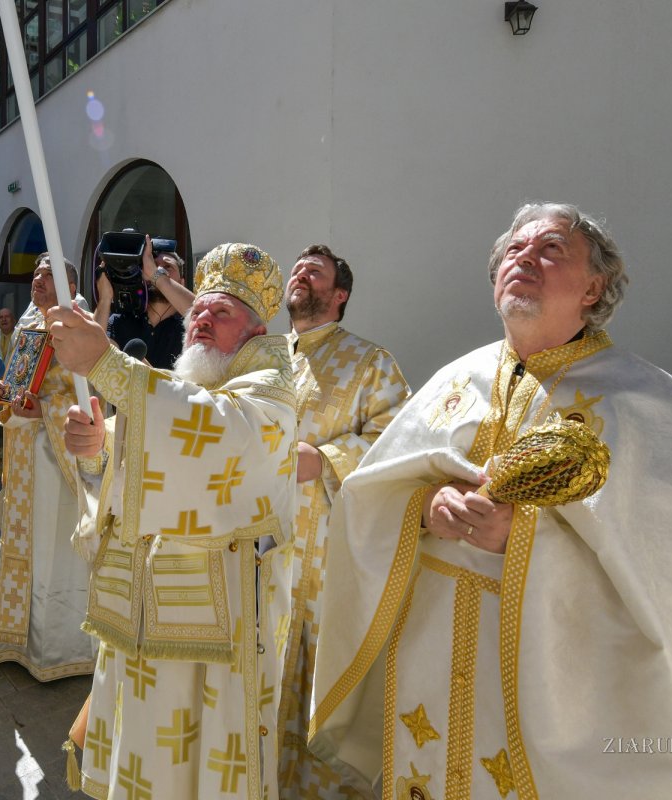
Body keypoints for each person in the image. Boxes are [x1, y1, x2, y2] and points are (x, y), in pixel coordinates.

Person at [309, 202, 672, 798]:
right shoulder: (454, 383)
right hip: (432, 649)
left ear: (595, 288)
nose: (524, 259)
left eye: (551, 250)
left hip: (557, 676)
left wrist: (527, 535)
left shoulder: (648, 404)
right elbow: (372, 494)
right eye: (513, 251)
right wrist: (425, 508)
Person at [51, 242, 297, 799]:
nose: (203, 319)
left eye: (222, 313)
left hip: (219, 616)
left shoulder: (272, 386)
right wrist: (96, 443)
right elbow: (139, 449)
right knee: (143, 740)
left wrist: (106, 363)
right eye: (200, 312)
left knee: (198, 756)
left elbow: (216, 433)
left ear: (254, 334)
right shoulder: (188, 385)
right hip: (141, 610)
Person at [276, 244, 410, 797]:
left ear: (339, 295)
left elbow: (398, 439)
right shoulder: (260, 357)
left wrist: (327, 460)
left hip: (326, 550)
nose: (302, 273)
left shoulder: (370, 360)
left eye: (317, 271)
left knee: (315, 663)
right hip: (260, 542)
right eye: (298, 267)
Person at [0, 259, 95, 681]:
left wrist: (42, 409)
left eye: (48, 274)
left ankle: (58, 650)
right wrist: (7, 393)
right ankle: (21, 641)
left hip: (59, 460)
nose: (38, 280)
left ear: (71, 284)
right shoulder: (33, 322)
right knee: (25, 545)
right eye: (36, 273)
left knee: (55, 548)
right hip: (25, 450)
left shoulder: (80, 324)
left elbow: (92, 392)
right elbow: (24, 382)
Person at [95, 236, 196, 369]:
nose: (160, 271)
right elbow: (93, 353)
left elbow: (203, 313)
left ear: (182, 283)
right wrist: (105, 298)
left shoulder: (190, 327)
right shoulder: (120, 321)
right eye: (152, 266)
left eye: (168, 266)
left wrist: (155, 275)